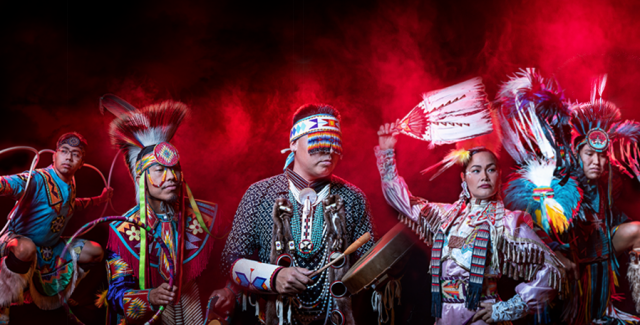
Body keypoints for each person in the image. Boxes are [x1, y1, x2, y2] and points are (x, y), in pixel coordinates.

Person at [375, 120, 562, 324]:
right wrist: (387, 153)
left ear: (499, 175)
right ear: (464, 178)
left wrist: (508, 308)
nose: (484, 176)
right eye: (476, 170)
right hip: (443, 316)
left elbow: (553, 270)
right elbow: (403, 202)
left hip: (481, 318)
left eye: (490, 169)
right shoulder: (445, 217)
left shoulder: (508, 223)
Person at [214, 103, 375, 325]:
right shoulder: (260, 193)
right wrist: (273, 277)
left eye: (334, 144)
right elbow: (230, 262)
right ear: (293, 143)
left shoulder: (353, 197)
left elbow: (370, 266)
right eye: (318, 143)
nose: (328, 152)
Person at [501, 71, 640, 324]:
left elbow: (611, 216)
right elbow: (537, 226)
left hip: (601, 252)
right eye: (589, 154)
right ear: (577, 152)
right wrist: (556, 249)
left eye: (601, 156)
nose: (597, 161)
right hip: (570, 265)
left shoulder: (606, 184)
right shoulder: (561, 181)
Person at [98, 95, 220, 325]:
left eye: (174, 169)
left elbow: (224, 272)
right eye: (159, 170)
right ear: (141, 177)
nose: (171, 177)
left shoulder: (206, 218)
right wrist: (150, 296)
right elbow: (115, 295)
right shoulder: (124, 231)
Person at [0, 132, 112, 323]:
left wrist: (99, 200)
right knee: (25, 248)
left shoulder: (70, 182)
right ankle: (2, 303)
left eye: (75, 154)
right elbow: (8, 183)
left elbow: (71, 204)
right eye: (64, 151)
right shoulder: (37, 179)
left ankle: (71, 297)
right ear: (54, 155)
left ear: (81, 162)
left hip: (51, 249)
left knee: (95, 251)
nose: (69, 157)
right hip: (18, 241)